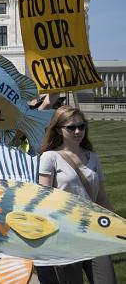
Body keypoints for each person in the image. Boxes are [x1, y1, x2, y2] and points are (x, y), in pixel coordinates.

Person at [36, 106, 116, 284]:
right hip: (65, 233)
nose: (78, 131)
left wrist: (118, 226)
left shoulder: (92, 157)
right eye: (71, 127)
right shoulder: (50, 157)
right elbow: (44, 199)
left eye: (82, 126)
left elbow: (101, 198)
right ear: (58, 129)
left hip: (94, 231)